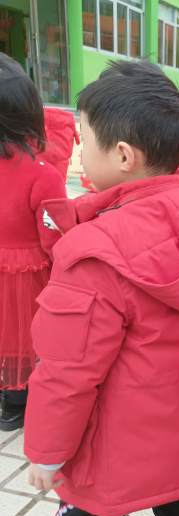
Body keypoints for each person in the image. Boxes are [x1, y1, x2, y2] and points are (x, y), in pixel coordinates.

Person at [23, 60, 179, 516]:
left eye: (83, 141)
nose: (78, 155)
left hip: (116, 451)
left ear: (124, 155)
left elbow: (68, 370)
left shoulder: (96, 254)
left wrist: (45, 451)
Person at [0, 53, 67, 431]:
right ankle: (16, 402)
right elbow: (54, 237)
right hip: (26, 276)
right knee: (21, 336)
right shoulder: (43, 175)